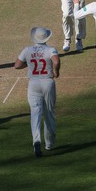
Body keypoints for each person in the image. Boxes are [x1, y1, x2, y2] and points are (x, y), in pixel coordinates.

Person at [14, 27, 60, 157]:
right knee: (49, 113)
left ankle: (36, 140)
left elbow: (17, 65)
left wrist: (28, 64)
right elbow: (56, 61)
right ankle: (49, 144)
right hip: (47, 82)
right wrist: (57, 71)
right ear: (46, 38)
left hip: (33, 83)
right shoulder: (50, 49)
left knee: (35, 113)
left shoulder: (27, 50)